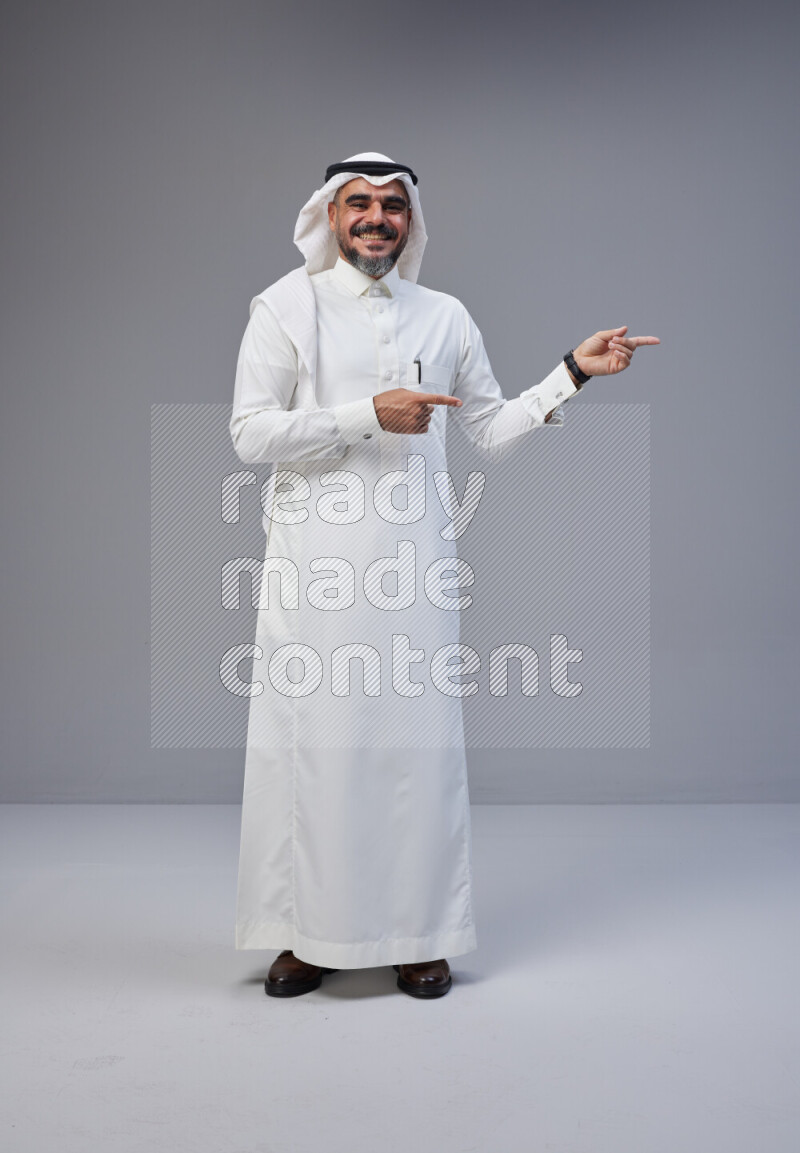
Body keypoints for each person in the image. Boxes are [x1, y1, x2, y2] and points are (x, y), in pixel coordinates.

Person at [229, 152, 659, 999]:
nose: (376, 219)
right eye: (359, 204)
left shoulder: (446, 317)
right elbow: (249, 433)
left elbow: (490, 430)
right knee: (318, 747)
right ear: (329, 215)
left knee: (413, 753)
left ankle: (417, 933)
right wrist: (366, 414)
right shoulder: (286, 308)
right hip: (315, 570)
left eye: (393, 206)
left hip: (416, 568)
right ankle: (307, 937)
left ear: (411, 221)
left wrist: (569, 373)